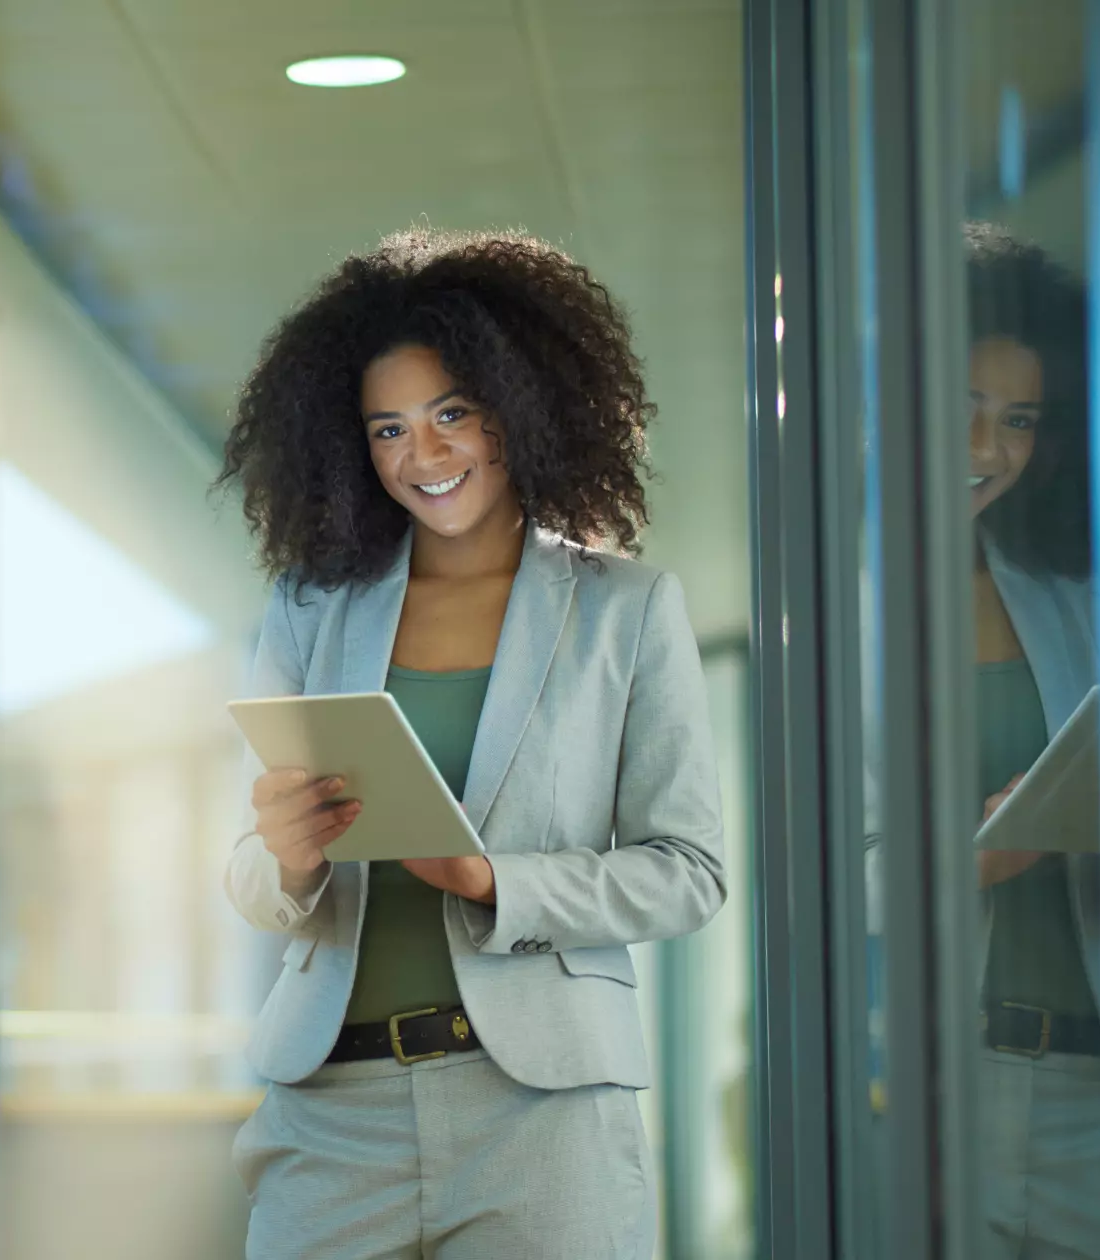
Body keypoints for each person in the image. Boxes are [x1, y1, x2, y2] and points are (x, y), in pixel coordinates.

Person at [216, 227, 727, 1260]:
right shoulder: (309, 612)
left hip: (538, 1116)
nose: (422, 456)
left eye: (451, 413)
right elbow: (248, 877)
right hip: (328, 1111)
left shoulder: (622, 611)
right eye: (387, 429)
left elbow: (688, 874)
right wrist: (287, 857)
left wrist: (491, 880)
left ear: (518, 409)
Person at [953, 223, 1100, 1260]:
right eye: (963, 408)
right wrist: (964, 859)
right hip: (927, 1082)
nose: (987, 450)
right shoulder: (827, 608)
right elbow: (786, 881)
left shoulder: (1077, 600)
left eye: (1016, 420)